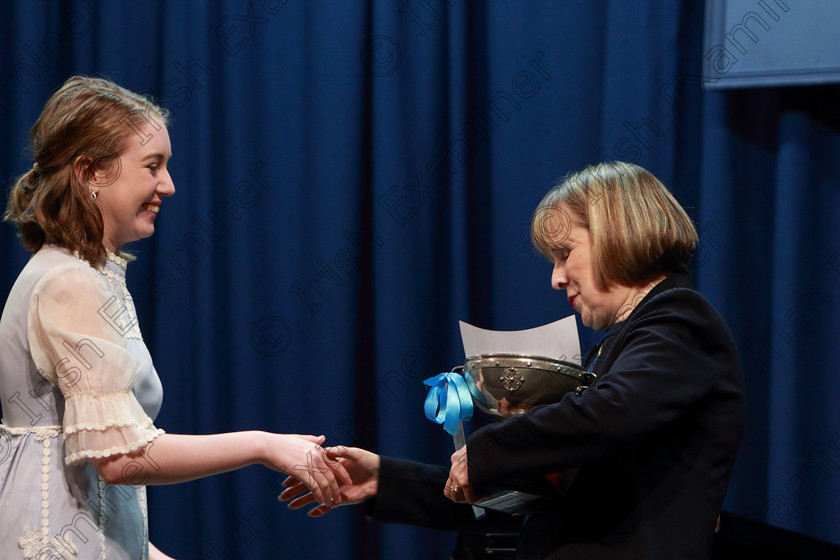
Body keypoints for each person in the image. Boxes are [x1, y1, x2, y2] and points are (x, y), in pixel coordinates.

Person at [281, 161, 745, 560]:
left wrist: (486, 452)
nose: (556, 278)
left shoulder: (680, 318)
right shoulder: (620, 345)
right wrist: (385, 480)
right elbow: (529, 500)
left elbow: (612, 412)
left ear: (617, 235)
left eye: (565, 254)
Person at [0, 76, 348, 560]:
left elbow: (78, 489)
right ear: (90, 172)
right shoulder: (69, 282)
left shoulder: (87, 275)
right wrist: (263, 445)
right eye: (152, 166)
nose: (168, 185)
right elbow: (119, 461)